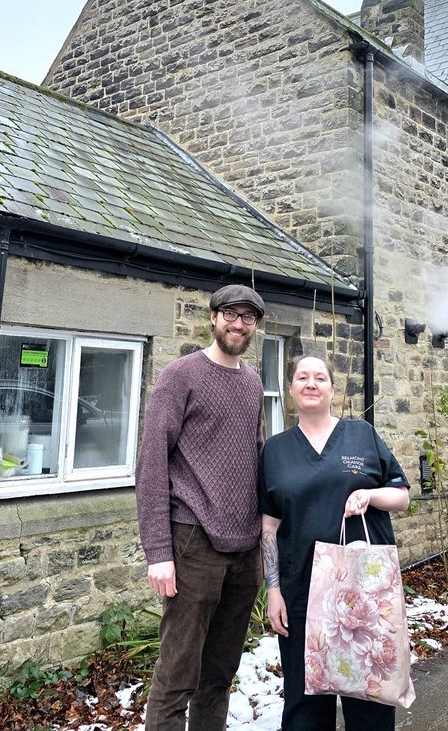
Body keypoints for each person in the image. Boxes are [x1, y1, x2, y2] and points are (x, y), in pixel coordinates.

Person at [136, 283, 268, 731]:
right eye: (230, 314)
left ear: (254, 327)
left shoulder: (252, 382)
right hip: (192, 540)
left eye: (248, 317)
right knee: (178, 674)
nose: (238, 323)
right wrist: (158, 552)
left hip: (244, 548)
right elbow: (152, 462)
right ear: (213, 318)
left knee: (219, 674)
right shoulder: (181, 375)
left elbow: (255, 453)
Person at [259, 355, 412, 731]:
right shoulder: (274, 451)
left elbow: (402, 496)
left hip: (363, 592)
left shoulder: (361, 434)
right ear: (290, 389)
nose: (311, 384)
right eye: (301, 377)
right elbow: (268, 526)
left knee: (369, 696)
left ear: (332, 388)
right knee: (304, 702)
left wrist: (370, 495)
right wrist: (274, 590)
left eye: (320, 377)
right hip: (300, 593)